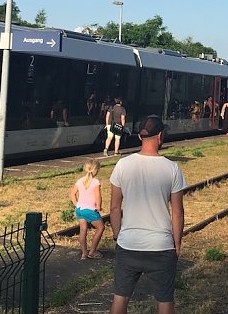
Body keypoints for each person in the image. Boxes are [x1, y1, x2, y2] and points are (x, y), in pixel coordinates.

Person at [109, 116, 187, 314]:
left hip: (128, 244)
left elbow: (114, 208)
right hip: (161, 246)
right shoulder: (172, 169)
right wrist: (177, 243)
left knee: (120, 299)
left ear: (139, 136)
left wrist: (118, 236)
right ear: (160, 136)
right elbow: (177, 212)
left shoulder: (122, 165)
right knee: (165, 301)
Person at [71, 158, 105, 260]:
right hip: (90, 209)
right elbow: (98, 196)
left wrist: (76, 204)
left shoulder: (80, 180)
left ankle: (84, 253)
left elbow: (72, 193)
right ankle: (93, 251)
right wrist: (98, 206)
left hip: (80, 209)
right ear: (96, 170)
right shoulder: (95, 182)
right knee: (100, 228)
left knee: (83, 230)